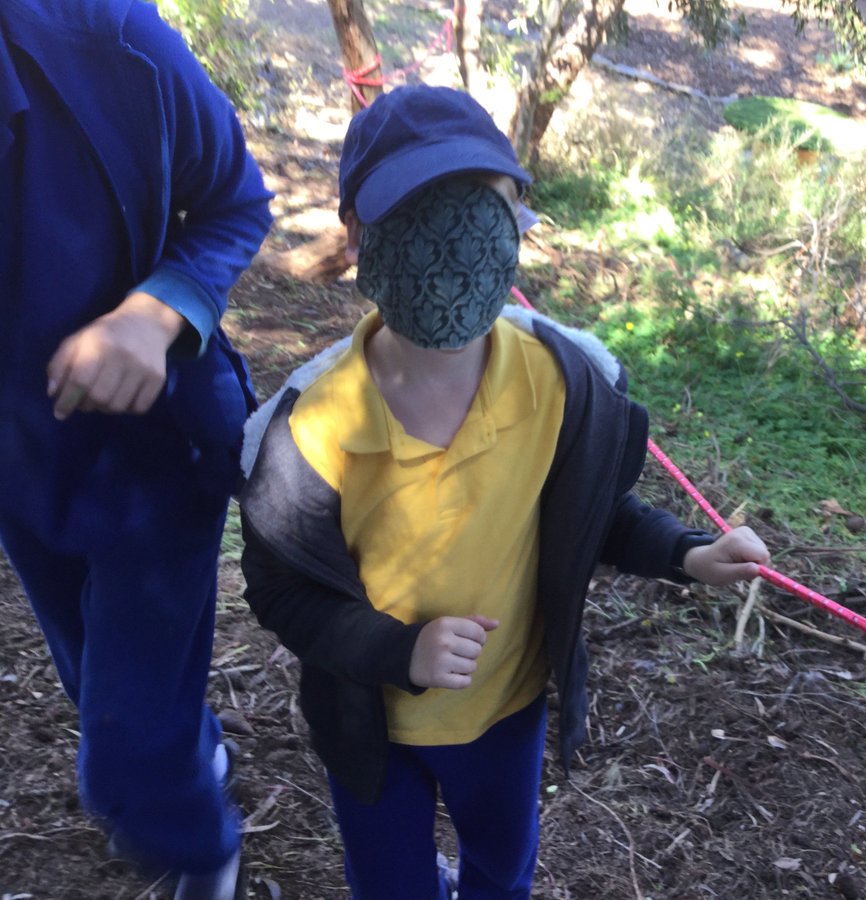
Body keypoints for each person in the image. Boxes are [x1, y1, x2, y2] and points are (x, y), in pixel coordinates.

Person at [238, 83, 768, 900]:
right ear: (358, 236)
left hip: (507, 710)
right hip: (369, 726)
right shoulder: (309, 429)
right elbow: (279, 592)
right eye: (420, 207)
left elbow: (591, 512)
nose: (452, 242)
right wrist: (397, 651)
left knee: (500, 874)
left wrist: (687, 553)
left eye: (478, 207)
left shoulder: (558, 383)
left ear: (517, 221)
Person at [0, 1, 273, 897]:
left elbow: (236, 200)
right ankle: (190, 763)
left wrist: (154, 315)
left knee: (123, 757)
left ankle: (207, 854)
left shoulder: (111, 39)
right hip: (20, 466)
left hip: (153, 453)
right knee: (95, 677)